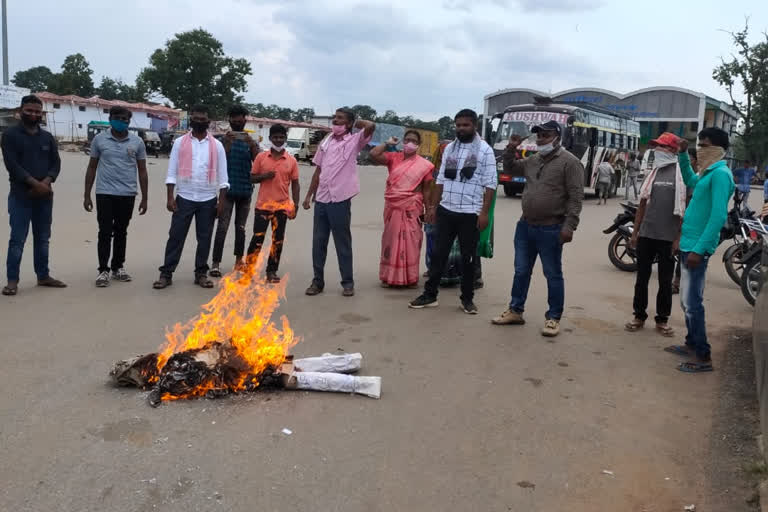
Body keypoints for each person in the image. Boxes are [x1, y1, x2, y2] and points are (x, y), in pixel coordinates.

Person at [491, 120, 584, 337]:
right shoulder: (534, 160)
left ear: (557, 138)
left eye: (546, 135)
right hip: (525, 226)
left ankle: (553, 318)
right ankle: (515, 310)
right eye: (539, 135)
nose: (541, 139)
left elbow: (576, 197)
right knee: (521, 271)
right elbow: (511, 168)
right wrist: (511, 148)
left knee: (552, 274)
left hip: (551, 228)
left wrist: (569, 226)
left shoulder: (570, 163)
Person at [409, 109, 497, 314]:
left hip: (470, 213)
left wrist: (484, 214)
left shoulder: (485, 150)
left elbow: (490, 185)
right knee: (438, 255)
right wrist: (432, 207)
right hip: (446, 210)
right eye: (458, 125)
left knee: (468, 259)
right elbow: (440, 180)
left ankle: (467, 299)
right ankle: (430, 295)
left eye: (465, 125)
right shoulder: (450, 149)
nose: (461, 129)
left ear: (474, 125)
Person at [666, 128, 734, 373]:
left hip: (697, 248)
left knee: (692, 303)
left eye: (704, 145)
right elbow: (689, 181)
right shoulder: (707, 173)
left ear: (717, 148)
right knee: (686, 301)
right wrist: (684, 155)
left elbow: (717, 217)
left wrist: (700, 249)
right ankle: (691, 344)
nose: (700, 150)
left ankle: (703, 357)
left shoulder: (721, 175)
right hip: (689, 244)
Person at [302, 107, 376, 297]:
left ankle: (348, 283)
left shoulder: (354, 141)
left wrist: (355, 123)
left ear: (349, 123)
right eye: (334, 118)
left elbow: (371, 126)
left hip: (340, 199)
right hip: (322, 199)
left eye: (340, 119)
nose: (335, 121)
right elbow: (318, 171)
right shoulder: (325, 142)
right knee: (318, 242)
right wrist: (309, 195)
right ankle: (317, 282)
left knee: (342, 242)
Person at [153, 105, 228, 290]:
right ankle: (166, 273)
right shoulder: (180, 142)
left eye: (203, 119)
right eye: (196, 119)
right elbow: (172, 172)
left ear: (208, 122)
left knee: (204, 239)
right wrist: (170, 197)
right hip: (185, 196)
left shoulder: (217, 145)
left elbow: (223, 177)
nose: (200, 122)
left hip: (208, 199)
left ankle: (201, 273)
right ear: (191, 120)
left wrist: (221, 202)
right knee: (176, 237)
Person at [1, 95, 66, 296]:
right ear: (20, 112)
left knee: (43, 238)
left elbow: (56, 163)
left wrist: (46, 182)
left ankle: (43, 276)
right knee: (17, 239)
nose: (33, 114)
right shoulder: (10, 135)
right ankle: (12, 280)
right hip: (21, 196)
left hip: (44, 198)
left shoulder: (47, 138)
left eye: (37, 111)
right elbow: (12, 165)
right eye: (29, 110)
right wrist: (34, 183)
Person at [623, 133, 686, 338]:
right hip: (647, 234)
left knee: (665, 282)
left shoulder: (682, 174)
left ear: (674, 151)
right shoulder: (653, 173)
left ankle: (662, 319)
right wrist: (636, 232)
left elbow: (687, 208)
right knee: (641, 278)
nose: (658, 151)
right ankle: (639, 315)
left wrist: (678, 238)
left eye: (663, 147)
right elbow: (642, 203)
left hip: (668, 237)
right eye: (656, 147)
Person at [83, 106, 148, 287]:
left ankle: (118, 267)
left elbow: (142, 171)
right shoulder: (99, 139)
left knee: (121, 231)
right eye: (118, 118)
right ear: (110, 118)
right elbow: (92, 167)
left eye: (126, 119)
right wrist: (87, 194)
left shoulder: (137, 142)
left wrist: (145, 197)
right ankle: (103, 270)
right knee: (104, 231)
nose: (122, 122)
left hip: (127, 194)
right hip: (104, 193)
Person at [369, 130, 435, 287]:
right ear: (403, 142)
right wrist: (387, 143)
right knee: (390, 240)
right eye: (407, 140)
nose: (409, 143)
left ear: (418, 145)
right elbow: (373, 154)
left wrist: (429, 209)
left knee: (412, 241)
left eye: (413, 141)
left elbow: (426, 189)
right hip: (393, 206)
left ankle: (409, 277)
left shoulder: (424, 165)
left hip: (412, 206)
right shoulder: (394, 157)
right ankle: (389, 276)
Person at [210, 105, 260, 277]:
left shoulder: (251, 141)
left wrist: (252, 144)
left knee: (241, 228)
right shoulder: (222, 141)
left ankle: (239, 261)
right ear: (229, 120)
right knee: (222, 228)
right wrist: (229, 143)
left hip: (246, 191)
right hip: (227, 191)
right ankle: (215, 263)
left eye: (241, 119)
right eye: (234, 119)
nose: (238, 122)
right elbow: (218, 161)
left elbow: (258, 161)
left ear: (245, 120)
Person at [247, 124, 300, 282]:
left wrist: (295, 205)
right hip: (263, 206)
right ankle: (249, 269)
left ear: (285, 139)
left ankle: (271, 271)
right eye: (275, 137)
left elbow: (296, 184)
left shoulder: (291, 161)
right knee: (257, 238)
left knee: (277, 240)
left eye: (281, 137)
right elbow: (251, 178)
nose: (278, 140)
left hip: (282, 208)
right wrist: (264, 176)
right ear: (270, 138)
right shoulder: (261, 157)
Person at [673, 148, 697, 294]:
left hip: (686, 219)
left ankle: (677, 281)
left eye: (689, 159)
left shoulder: (694, 178)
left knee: (682, 249)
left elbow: (689, 200)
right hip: (678, 215)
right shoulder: (681, 175)